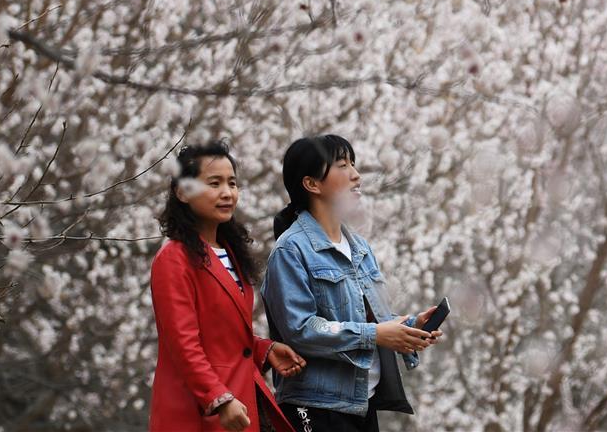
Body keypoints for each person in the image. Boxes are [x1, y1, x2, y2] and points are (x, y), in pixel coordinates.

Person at [262, 134, 444, 432]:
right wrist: (376, 334)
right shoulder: (290, 250)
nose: (356, 175)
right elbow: (301, 329)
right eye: (342, 165)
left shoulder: (358, 247)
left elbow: (371, 320)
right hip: (317, 407)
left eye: (354, 164)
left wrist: (410, 327)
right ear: (312, 184)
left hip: (362, 403)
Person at [150, 140, 306, 432]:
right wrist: (218, 399)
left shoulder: (229, 252)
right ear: (182, 192)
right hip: (199, 411)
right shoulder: (173, 258)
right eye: (214, 183)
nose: (227, 193)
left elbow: (222, 335)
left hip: (240, 398)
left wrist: (263, 349)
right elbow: (183, 344)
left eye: (232, 183)